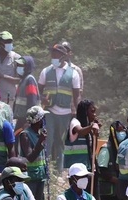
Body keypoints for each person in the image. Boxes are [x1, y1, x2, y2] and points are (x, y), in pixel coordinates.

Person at [39, 43, 83, 174]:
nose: (53, 56)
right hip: (50, 111)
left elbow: (76, 96)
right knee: (48, 140)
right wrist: (43, 99)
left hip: (65, 113)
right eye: (52, 54)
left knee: (60, 142)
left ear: (63, 56)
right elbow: (38, 91)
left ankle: (58, 171)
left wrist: (77, 112)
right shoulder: (46, 71)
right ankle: (45, 168)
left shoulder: (73, 74)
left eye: (56, 54)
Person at [97, 121, 128, 200]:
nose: (122, 133)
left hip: (118, 191)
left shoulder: (122, 149)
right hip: (108, 191)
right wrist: (116, 180)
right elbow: (102, 170)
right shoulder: (106, 149)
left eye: (123, 130)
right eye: (119, 131)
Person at [18, 106, 49, 200]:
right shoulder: (25, 135)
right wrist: (40, 141)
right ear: (38, 120)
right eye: (43, 118)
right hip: (30, 178)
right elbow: (30, 157)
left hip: (40, 176)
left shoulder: (39, 134)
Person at [64, 99, 99, 171]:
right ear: (85, 112)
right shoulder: (75, 122)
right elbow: (80, 131)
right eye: (92, 111)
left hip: (86, 166)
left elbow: (93, 149)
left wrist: (95, 135)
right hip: (76, 168)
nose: (94, 114)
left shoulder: (88, 127)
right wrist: (92, 126)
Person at [12, 56, 40, 131]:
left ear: (27, 67)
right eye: (18, 65)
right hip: (21, 118)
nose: (18, 67)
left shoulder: (29, 80)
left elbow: (32, 102)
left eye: (21, 66)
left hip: (26, 120)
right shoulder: (22, 80)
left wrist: (29, 121)